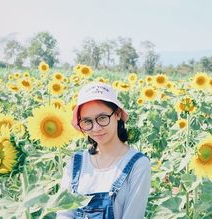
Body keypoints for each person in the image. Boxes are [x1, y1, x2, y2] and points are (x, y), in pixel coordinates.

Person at [56, 82, 151, 219]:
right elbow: (64, 213)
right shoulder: (76, 163)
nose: (96, 128)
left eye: (102, 118)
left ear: (117, 114)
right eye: (87, 121)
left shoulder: (137, 164)